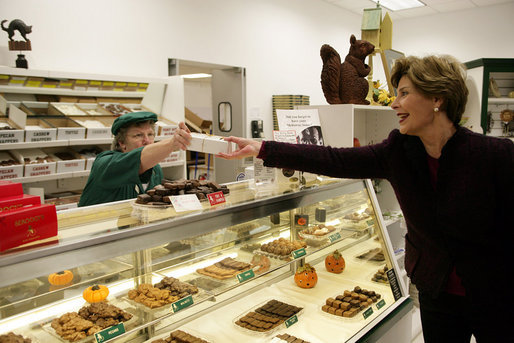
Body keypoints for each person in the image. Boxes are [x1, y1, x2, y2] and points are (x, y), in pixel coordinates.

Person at [218, 55, 514, 343]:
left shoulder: (494, 155)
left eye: (405, 94)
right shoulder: (398, 151)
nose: (395, 104)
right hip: (436, 291)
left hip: (494, 291)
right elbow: (335, 159)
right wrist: (264, 148)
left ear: (438, 98)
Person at [78, 111, 191, 207]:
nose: (147, 140)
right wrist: (172, 143)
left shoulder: (155, 169)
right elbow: (139, 158)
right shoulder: (106, 164)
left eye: (150, 134)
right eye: (138, 135)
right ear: (122, 143)